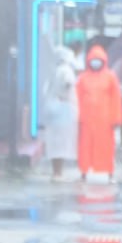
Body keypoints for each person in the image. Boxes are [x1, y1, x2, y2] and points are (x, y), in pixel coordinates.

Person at [76, 45, 122, 182]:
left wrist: (117, 119)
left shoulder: (110, 77)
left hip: (105, 121)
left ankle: (109, 173)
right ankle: (83, 172)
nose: (95, 62)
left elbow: (116, 99)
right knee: (85, 148)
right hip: (86, 120)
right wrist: (77, 117)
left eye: (98, 59)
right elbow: (77, 97)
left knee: (106, 148)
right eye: (93, 59)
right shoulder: (83, 78)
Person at [44, 46, 80, 181]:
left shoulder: (54, 70)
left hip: (53, 108)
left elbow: (45, 90)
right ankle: (58, 172)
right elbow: (68, 83)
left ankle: (55, 171)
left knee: (54, 143)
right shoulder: (66, 71)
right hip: (63, 109)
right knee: (61, 143)